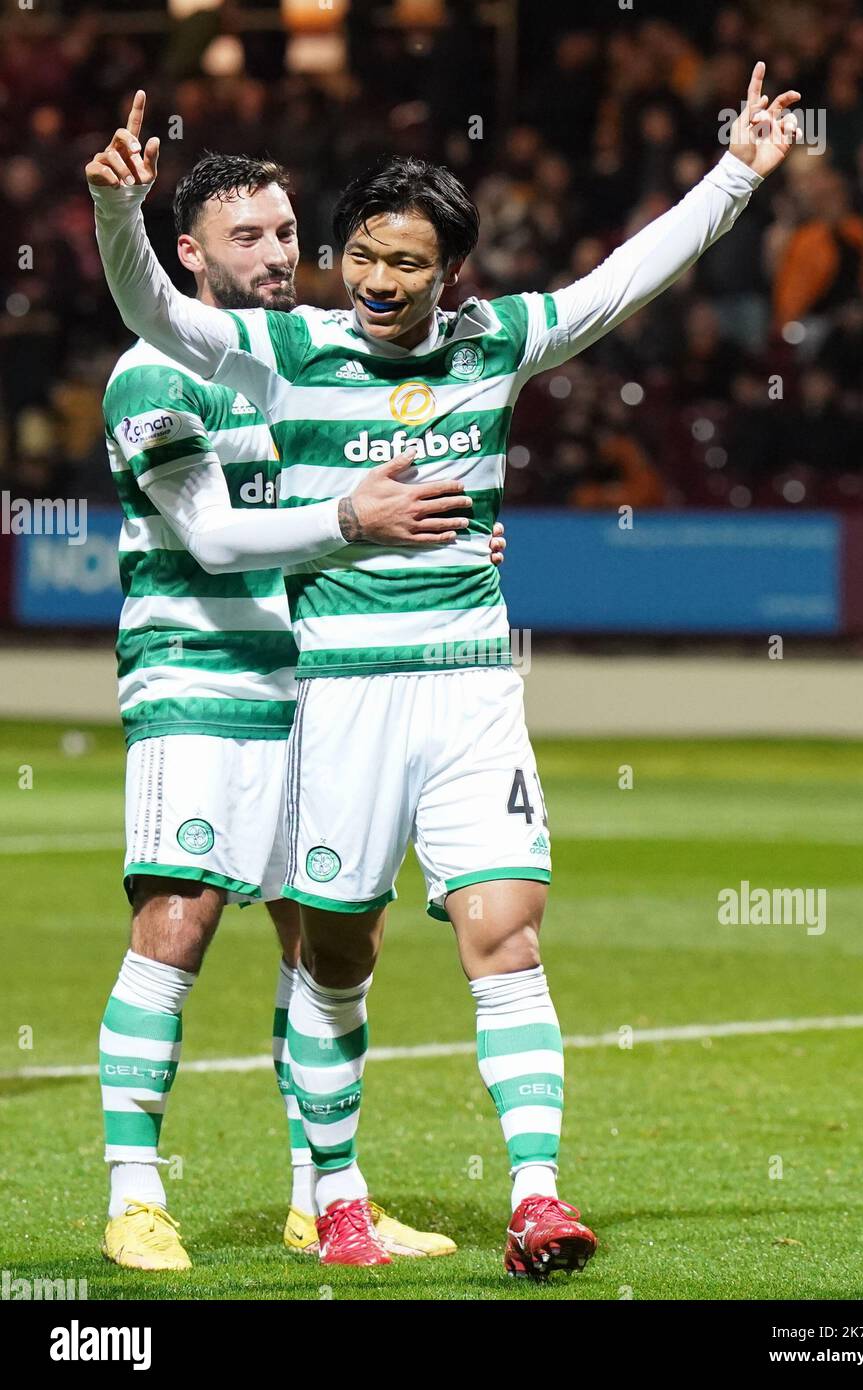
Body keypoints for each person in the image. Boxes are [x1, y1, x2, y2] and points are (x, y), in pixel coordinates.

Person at [87, 63, 800, 1277]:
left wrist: (737, 172)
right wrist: (114, 213)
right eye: (358, 253)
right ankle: (324, 1196)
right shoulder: (282, 351)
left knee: (507, 931)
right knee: (327, 950)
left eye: (402, 261)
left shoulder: (498, 341)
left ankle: (535, 1196)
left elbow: (622, 281)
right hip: (334, 694)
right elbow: (159, 316)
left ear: (450, 273)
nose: (370, 278)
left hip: (472, 686)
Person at [99, 148, 506, 1271]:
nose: (279, 255)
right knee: (176, 926)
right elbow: (222, 537)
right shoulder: (155, 372)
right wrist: (355, 521)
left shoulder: (304, 366)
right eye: (247, 237)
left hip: (312, 681)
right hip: (198, 675)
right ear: (189, 253)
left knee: (328, 944)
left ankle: (322, 1196)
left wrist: (448, 539)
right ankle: (135, 1194)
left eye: (287, 233)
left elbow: (387, 487)